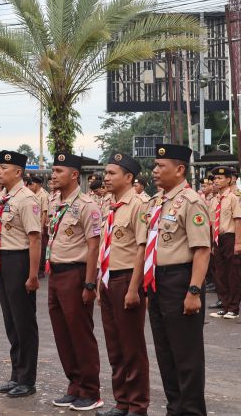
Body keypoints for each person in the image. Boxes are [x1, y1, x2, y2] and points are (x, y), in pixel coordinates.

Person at [147, 144, 210, 415]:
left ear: (180, 169)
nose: (155, 170)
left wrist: (194, 290)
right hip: (157, 281)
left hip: (180, 280)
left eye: (161, 166)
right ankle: (175, 408)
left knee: (186, 355)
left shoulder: (191, 201)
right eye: (155, 165)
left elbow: (202, 249)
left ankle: (192, 411)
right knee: (165, 352)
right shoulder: (157, 201)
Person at [47, 153, 103, 411]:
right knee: (62, 333)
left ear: (74, 175)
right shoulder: (54, 202)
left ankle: (91, 391)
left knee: (80, 333)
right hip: (56, 272)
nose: (53, 175)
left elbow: (93, 247)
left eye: (59, 171)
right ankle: (75, 385)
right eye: (53, 170)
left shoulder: (87, 205)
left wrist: (90, 284)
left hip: (76, 273)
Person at [97, 153, 149, 416]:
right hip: (108, 279)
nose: (106, 178)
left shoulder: (139, 204)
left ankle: (137, 406)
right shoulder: (111, 205)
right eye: (105, 173)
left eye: (112, 173)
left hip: (127, 279)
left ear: (128, 177)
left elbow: (142, 249)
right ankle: (122, 402)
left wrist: (133, 288)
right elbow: (106, 246)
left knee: (132, 347)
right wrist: (100, 282)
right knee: (115, 346)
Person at [0, 150, 42, 398]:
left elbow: (35, 239)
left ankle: (27, 379)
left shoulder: (27, 199)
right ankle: (16, 375)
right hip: (3, 260)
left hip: (19, 260)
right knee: (11, 322)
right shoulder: (3, 197)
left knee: (24, 323)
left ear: (18, 172)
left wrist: (33, 275)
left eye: (4, 168)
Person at [208, 166, 241, 320]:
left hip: (230, 237)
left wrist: (238, 243)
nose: (216, 181)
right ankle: (225, 305)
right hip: (217, 239)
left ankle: (234, 308)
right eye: (215, 178)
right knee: (219, 273)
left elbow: (238, 220)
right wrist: (211, 243)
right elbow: (211, 223)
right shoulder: (214, 200)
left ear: (228, 180)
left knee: (232, 273)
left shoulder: (233, 197)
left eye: (220, 178)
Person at [27, 176, 50, 279]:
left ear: (37, 184)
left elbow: (44, 212)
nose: (30, 186)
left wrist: (41, 227)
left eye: (32, 184)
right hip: (32, 223)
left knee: (41, 247)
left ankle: (40, 270)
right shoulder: (32, 194)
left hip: (40, 223)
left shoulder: (43, 195)